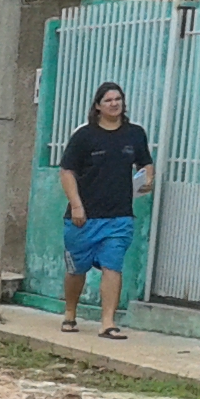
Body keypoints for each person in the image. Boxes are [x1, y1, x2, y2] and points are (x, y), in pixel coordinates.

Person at [59, 81, 155, 341]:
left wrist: (147, 178)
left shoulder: (134, 134)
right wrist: (77, 205)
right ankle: (70, 312)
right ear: (98, 106)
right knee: (77, 269)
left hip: (119, 216)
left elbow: (146, 163)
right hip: (84, 218)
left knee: (113, 266)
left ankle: (108, 322)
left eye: (118, 99)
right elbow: (67, 172)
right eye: (108, 100)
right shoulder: (85, 136)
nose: (114, 104)